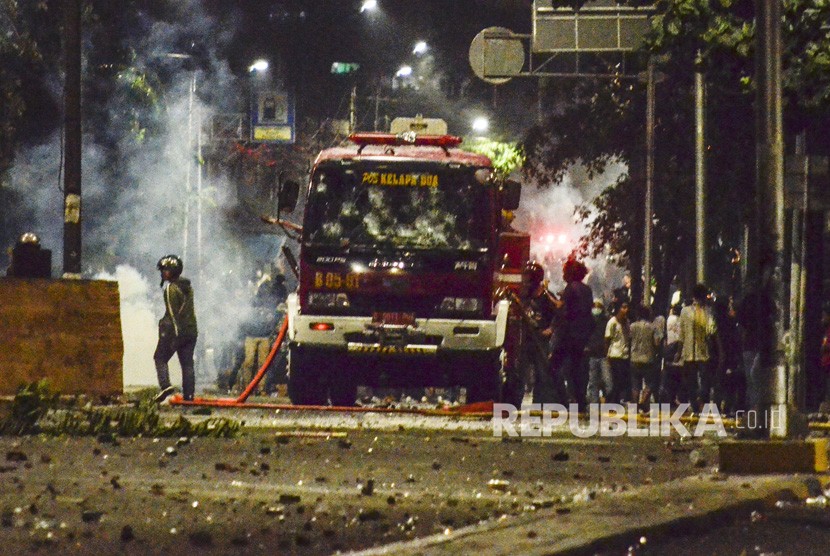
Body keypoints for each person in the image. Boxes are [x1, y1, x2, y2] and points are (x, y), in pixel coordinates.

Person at [548, 257, 594, 410]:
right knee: (576, 370)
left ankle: (561, 400)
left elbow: (562, 310)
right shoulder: (587, 290)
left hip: (568, 335)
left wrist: (548, 296)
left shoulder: (570, 288)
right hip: (582, 335)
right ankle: (581, 402)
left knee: (553, 366)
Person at [154, 254, 198, 402]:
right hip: (191, 331)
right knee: (187, 363)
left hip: (177, 332)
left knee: (160, 357)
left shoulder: (170, 289)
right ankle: (189, 396)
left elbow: (173, 314)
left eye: (164, 270)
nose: (162, 273)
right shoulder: (187, 287)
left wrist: (175, 337)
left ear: (171, 271)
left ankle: (165, 385)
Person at [520, 260, 562, 404]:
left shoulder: (546, 296)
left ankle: (540, 404)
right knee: (519, 372)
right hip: (524, 339)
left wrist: (551, 329)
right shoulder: (523, 296)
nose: (526, 281)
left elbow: (559, 314)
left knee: (542, 373)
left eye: (529, 277)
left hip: (540, 341)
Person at [678, 283, 720, 412]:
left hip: (702, 352)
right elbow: (682, 333)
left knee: (704, 381)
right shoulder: (686, 312)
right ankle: (696, 406)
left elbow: (712, 330)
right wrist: (680, 352)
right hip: (690, 352)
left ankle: (701, 402)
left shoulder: (706, 312)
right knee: (692, 382)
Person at [629, 304, 660, 411]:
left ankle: (635, 407)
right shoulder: (652, 327)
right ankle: (643, 402)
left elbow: (629, 340)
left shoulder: (632, 326)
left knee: (635, 385)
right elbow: (656, 343)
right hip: (648, 359)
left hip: (634, 358)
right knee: (650, 383)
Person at [586, 299, 612, 404]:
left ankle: (609, 401)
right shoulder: (588, 321)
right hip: (592, 354)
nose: (596, 309)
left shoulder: (605, 321)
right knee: (593, 382)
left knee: (608, 381)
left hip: (603, 355)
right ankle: (594, 404)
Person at [605, 301, 631, 404]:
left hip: (625, 355)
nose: (626, 310)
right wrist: (607, 355)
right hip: (615, 355)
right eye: (623, 307)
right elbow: (607, 339)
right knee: (616, 381)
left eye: (627, 307)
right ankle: (611, 401)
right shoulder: (612, 322)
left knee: (622, 381)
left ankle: (616, 401)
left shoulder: (627, 322)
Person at [659, 303, 684, 405]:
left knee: (668, 376)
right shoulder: (680, 321)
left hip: (668, 349)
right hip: (678, 350)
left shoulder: (669, 319)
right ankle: (674, 398)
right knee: (677, 377)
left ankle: (667, 398)